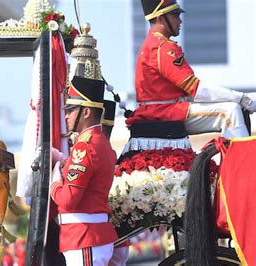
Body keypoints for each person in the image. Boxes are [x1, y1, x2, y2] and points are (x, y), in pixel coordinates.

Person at [126, 0, 256, 138]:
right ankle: (243, 159)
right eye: (175, 16)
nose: (180, 21)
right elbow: (196, 89)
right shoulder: (163, 47)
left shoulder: (152, 44)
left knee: (231, 106)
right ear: (160, 18)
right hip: (164, 112)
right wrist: (243, 98)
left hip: (159, 110)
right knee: (230, 111)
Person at [50, 76, 118, 265]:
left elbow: (68, 200)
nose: (66, 116)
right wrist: (64, 162)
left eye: (70, 110)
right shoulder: (99, 142)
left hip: (84, 237)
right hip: (87, 236)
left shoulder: (84, 147)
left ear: (86, 112)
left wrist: (54, 181)